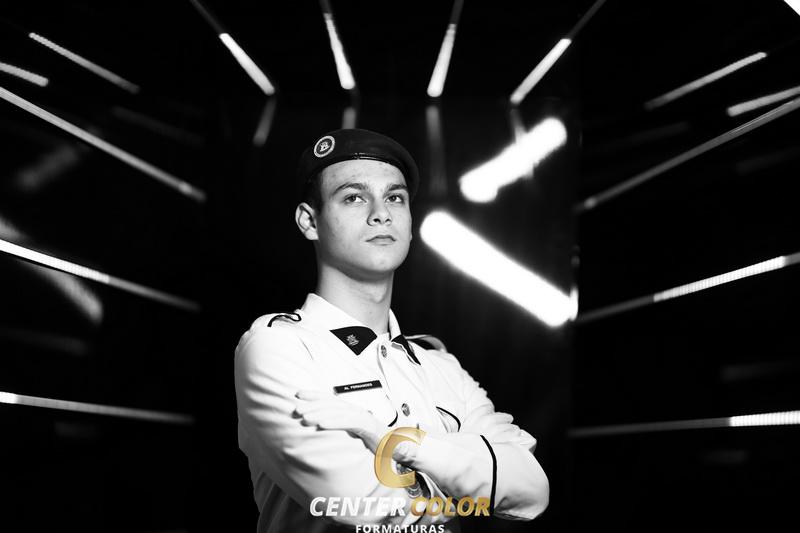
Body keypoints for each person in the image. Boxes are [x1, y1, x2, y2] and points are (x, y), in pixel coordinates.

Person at [234, 128, 549, 532]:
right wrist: (476, 480)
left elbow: (532, 490)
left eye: (395, 197)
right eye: (354, 197)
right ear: (309, 221)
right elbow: (364, 503)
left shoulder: (440, 366)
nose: (381, 213)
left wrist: (392, 441)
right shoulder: (278, 348)